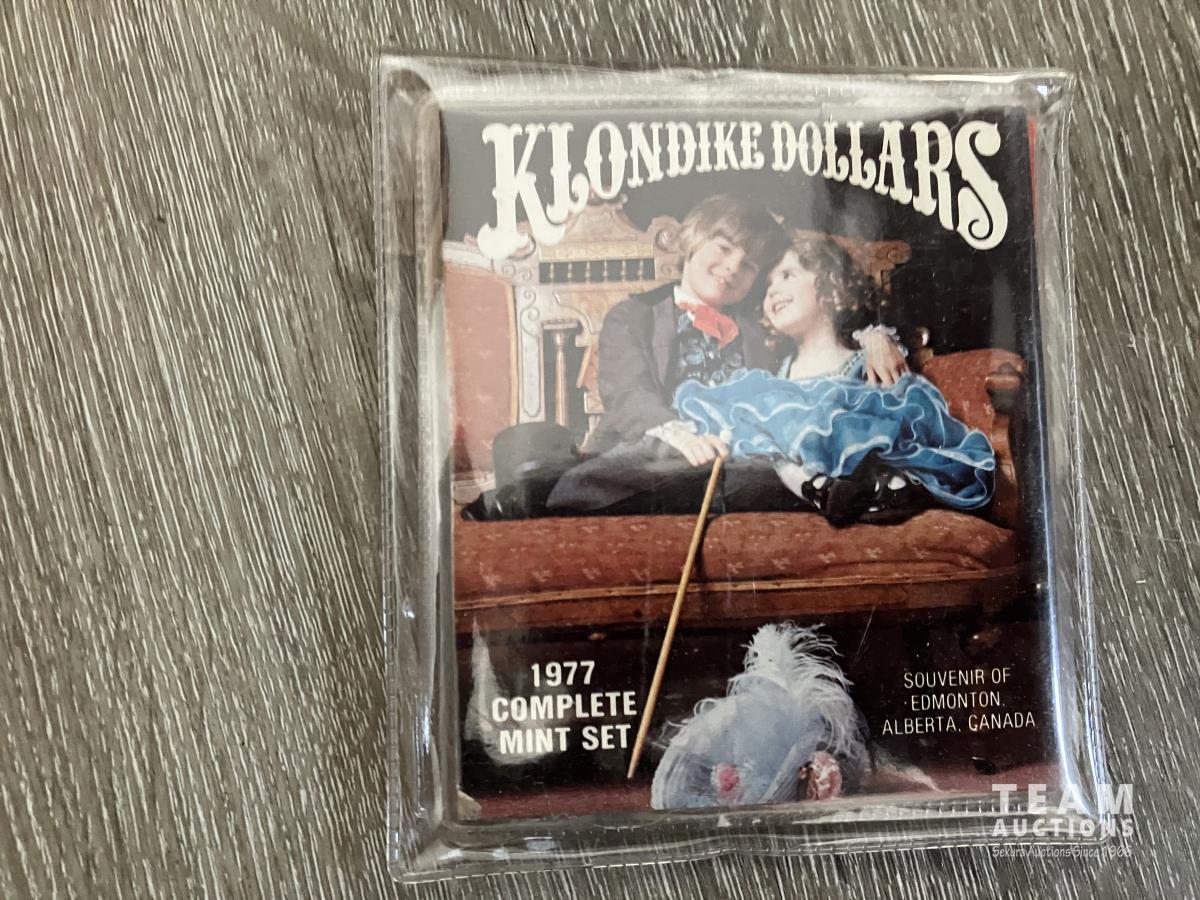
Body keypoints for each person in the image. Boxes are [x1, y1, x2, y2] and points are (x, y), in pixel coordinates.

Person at [542, 200, 907, 516]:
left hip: (734, 460)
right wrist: (679, 435)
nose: (733, 266)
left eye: (749, 266)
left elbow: (817, 334)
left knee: (761, 471)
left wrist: (873, 337)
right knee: (606, 480)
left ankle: (844, 492)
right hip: (653, 449)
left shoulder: (755, 331)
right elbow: (629, 395)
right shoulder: (635, 315)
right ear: (693, 240)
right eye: (723, 248)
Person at [672, 233, 995, 526]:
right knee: (767, 435)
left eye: (787, 275)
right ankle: (821, 490)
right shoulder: (773, 377)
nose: (772, 292)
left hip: (864, 462)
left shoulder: (866, 360)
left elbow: (891, 418)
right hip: (810, 484)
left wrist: (874, 337)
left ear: (830, 286)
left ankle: (889, 487)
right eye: (767, 286)